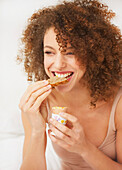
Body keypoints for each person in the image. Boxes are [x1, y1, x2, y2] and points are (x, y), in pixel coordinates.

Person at [17, 0, 122, 169]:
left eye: (71, 52)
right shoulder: (38, 101)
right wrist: (37, 132)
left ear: (94, 54)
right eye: (49, 52)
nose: (58, 65)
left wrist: (84, 148)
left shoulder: (119, 102)